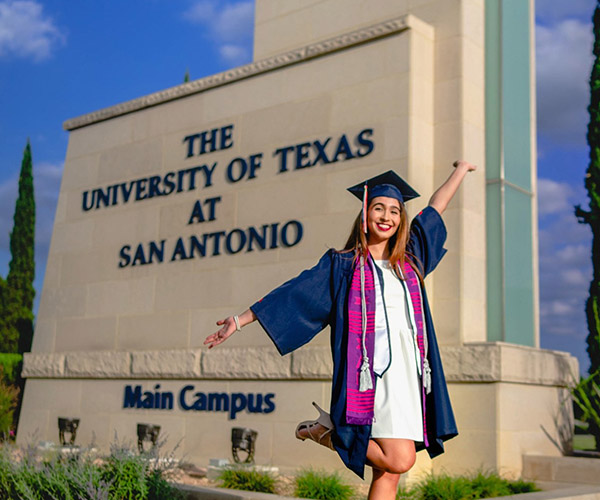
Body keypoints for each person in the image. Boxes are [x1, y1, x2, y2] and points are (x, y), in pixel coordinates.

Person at [204, 161, 476, 500]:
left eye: (395, 210)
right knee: (400, 460)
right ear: (365, 214)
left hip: (408, 377)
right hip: (369, 378)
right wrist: (240, 320)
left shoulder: (412, 259)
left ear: (402, 219)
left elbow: (436, 207)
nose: (387, 216)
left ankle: (327, 431)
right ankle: (328, 433)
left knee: (388, 474)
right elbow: (295, 292)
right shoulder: (342, 265)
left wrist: (461, 170)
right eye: (379, 208)